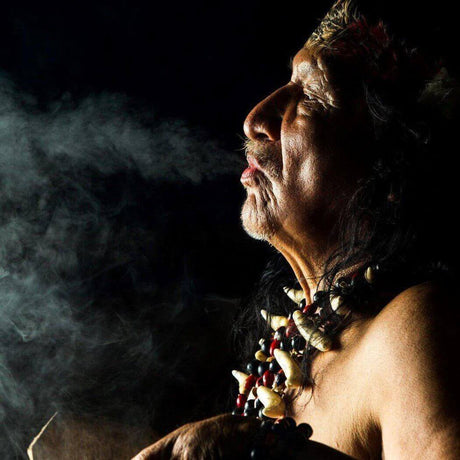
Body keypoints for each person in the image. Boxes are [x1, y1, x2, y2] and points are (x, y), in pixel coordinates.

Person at [134, 0, 460, 458]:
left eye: (311, 94)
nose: (255, 120)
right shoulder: (285, 354)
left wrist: (267, 448)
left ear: (392, 168)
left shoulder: (416, 328)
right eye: (288, 82)